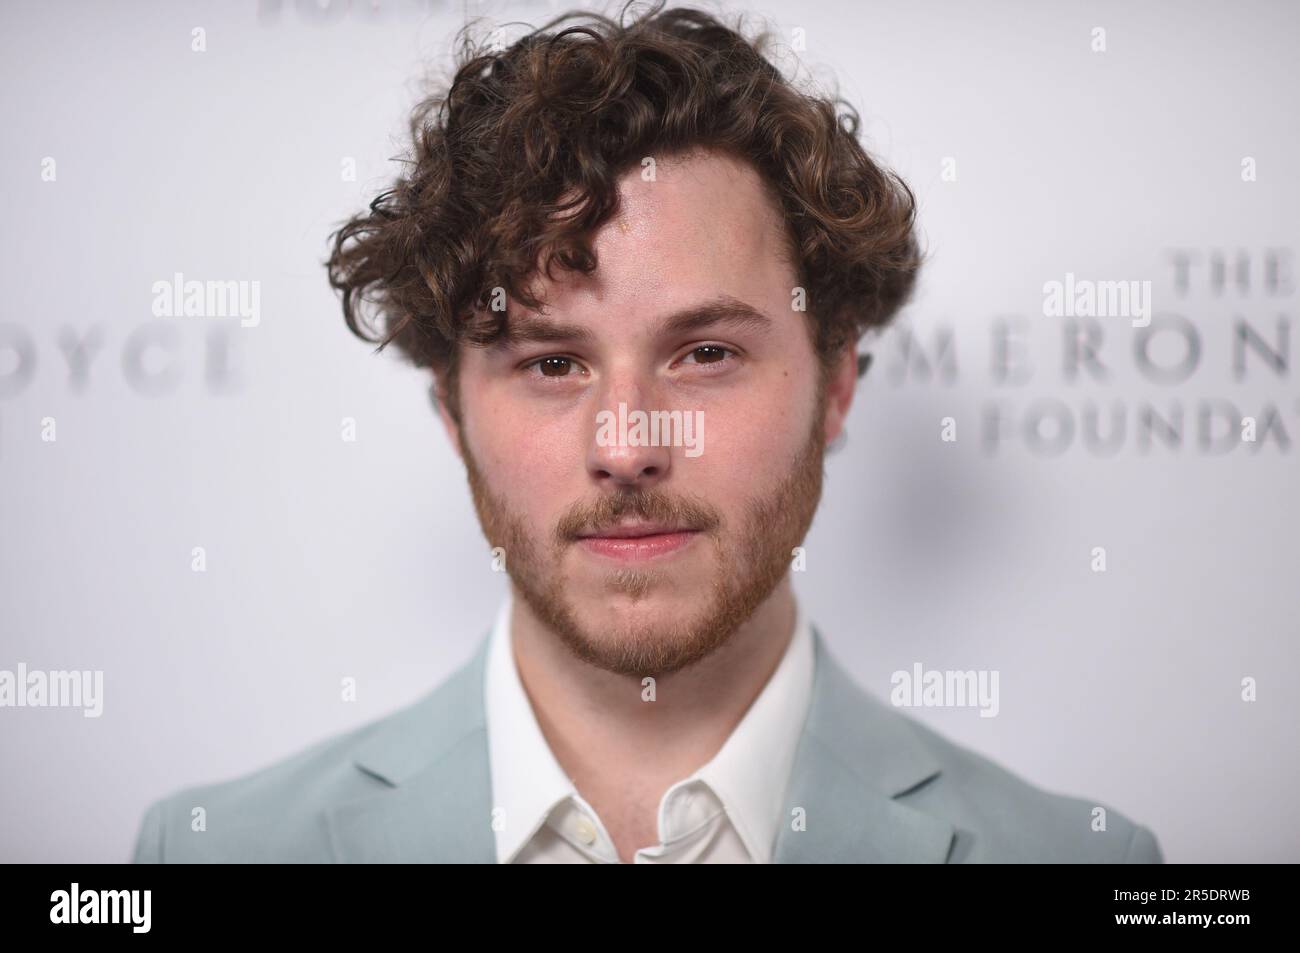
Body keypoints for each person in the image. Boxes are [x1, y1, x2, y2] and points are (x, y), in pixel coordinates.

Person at [131, 2, 1162, 863]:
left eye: (705, 353)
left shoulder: (1082, 863)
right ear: (451, 411)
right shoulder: (214, 851)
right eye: (550, 363)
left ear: (836, 380)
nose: (626, 444)